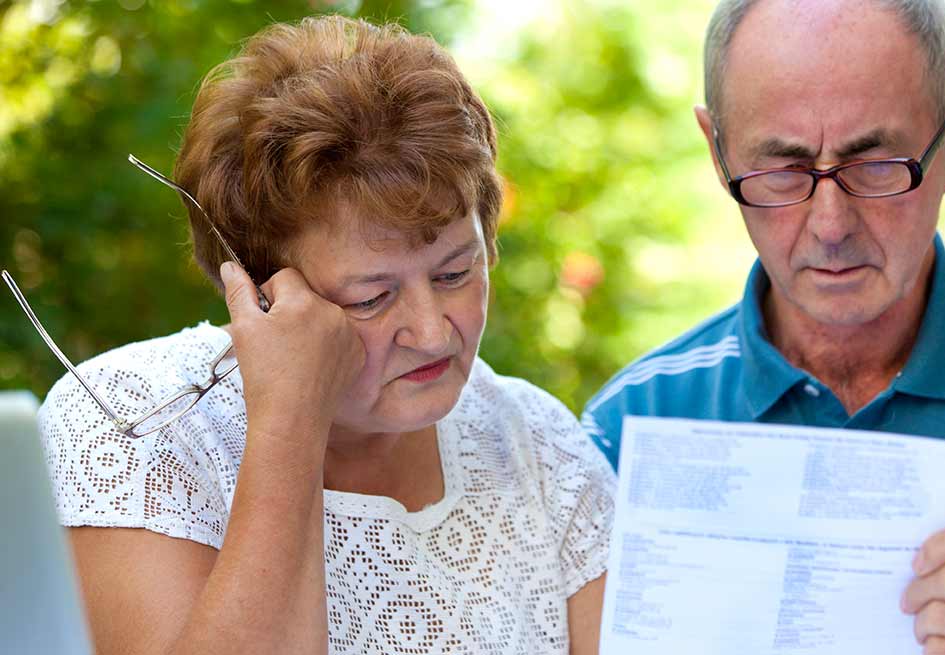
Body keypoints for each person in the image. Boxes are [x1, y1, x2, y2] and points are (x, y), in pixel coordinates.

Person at [35, 16, 613, 655]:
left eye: (455, 272)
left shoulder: (538, 444)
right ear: (261, 296)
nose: (429, 332)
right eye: (371, 297)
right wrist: (289, 419)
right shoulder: (127, 426)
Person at [582, 1, 945, 653]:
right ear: (717, 152)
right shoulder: (627, 432)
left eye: (874, 165)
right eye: (783, 170)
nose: (830, 225)